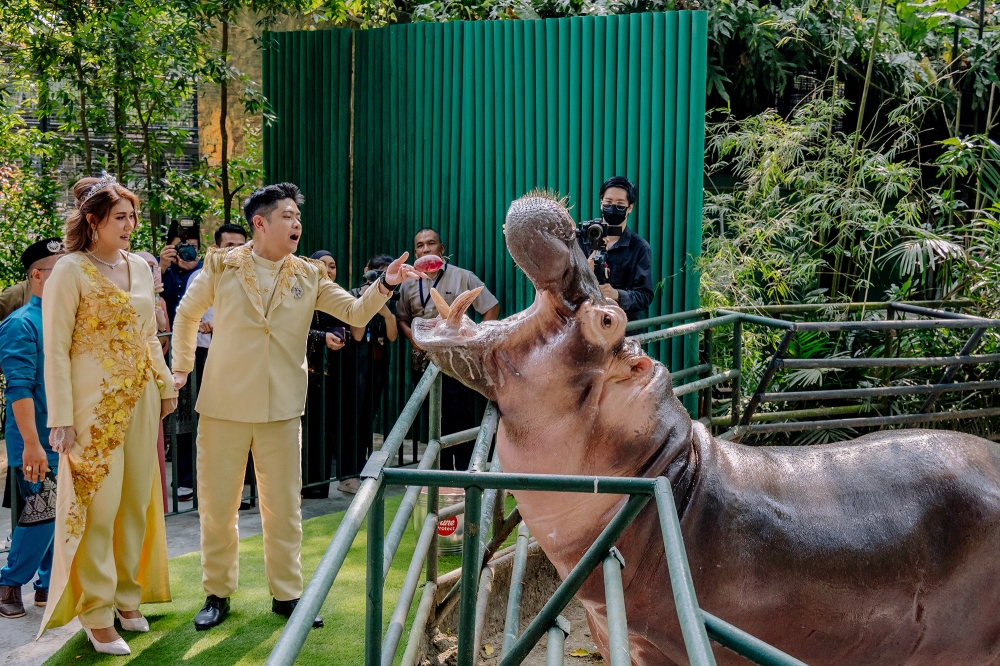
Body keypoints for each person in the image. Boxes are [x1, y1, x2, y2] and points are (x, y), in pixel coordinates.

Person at [169, 182, 425, 631]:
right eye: (287, 215)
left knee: (284, 506)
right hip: (223, 405)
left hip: (283, 408)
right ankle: (216, 593)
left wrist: (386, 283)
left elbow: (357, 312)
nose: (297, 223)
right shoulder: (221, 265)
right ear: (260, 223)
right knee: (217, 505)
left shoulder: (309, 274)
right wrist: (182, 370)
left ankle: (287, 595)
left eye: (298, 217)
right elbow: (187, 314)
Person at [39, 174, 178, 656]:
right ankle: (96, 614)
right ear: (93, 221)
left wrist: (164, 384)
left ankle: (127, 597)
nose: (130, 224)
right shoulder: (69, 271)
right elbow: (54, 348)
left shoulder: (140, 267)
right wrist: (61, 417)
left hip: (140, 401)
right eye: (120, 217)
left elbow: (146, 336)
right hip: (91, 409)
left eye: (132, 216)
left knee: (138, 500)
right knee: (98, 508)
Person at [397, 228, 499, 471]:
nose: (425, 249)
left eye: (431, 243)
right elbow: (401, 318)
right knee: (433, 420)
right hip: (422, 362)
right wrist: (413, 338)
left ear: (441, 249)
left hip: (456, 362)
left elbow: (491, 307)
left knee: (459, 416)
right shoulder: (408, 282)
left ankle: (465, 475)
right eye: (420, 245)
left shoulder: (462, 276)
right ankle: (439, 476)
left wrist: (474, 339)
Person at [0, 239, 64, 619]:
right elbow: (18, 387)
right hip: (35, 437)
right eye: (60, 270)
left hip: (63, 435)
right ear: (37, 275)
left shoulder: (64, 319)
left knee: (54, 511)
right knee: (43, 510)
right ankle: (9, 584)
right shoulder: (21, 322)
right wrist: (31, 445)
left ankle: (46, 587)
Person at [172, 224, 249, 503]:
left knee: (233, 426)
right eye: (230, 246)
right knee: (194, 421)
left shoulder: (253, 277)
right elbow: (187, 317)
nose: (237, 251)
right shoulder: (201, 276)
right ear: (216, 248)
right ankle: (186, 481)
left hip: (240, 357)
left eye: (242, 244)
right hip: (203, 357)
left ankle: (231, 489)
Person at [576, 176, 654, 321]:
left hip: (623, 329)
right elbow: (567, 286)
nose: (612, 208)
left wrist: (617, 295)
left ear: (630, 207)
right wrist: (590, 262)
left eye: (620, 204)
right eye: (608, 202)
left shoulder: (640, 248)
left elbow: (645, 296)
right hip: (586, 326)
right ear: (601, 203)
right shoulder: (582, 239)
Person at [303, 251, 348, 499]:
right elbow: (288, 328)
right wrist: (321, 337)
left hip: (329, 374)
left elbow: (349, 325)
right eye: (322, 266)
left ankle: (318, 485)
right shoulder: (297, 292)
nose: (328, 271)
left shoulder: (337, 296)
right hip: (300, 373)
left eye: (332, 266)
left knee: (324, 428)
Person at [136, 252, 171, 513]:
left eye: (154, 267)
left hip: (153, 382)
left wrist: (160, 324)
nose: (152, 273)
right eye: (146, 267)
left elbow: (161, 345)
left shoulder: (160, 301)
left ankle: (156, 506)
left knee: (154, 447)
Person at [158, 220, 203, 324]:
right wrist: (162, 268)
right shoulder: (158, 265)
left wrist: (195, 271)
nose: (186, 251)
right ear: (168, 246)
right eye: (180, 246)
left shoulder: (205, 270)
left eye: (193, 247)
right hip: (165, 332)